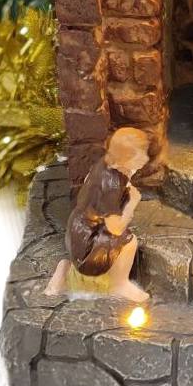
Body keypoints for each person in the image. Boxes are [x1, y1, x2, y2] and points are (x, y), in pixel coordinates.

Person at [46, 126, 150, 302]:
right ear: (125, 158)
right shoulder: (112, 184)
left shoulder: (105, 163)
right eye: (141, 156)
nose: (146, 159)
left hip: (76, 231)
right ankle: (120, 284)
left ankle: (65, 270)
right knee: (129, 241)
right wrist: (132, 202)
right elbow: (116, 229)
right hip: (88, 247)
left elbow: (88, 181)